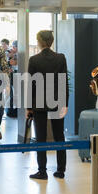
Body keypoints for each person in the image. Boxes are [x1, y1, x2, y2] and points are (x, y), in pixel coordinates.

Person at [27, 30, 69, 180]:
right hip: (57, 101)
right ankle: (61, 170)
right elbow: (64, 81)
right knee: (59, 136)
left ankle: (42, 171)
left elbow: (31, 85)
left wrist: (29, 107)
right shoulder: (60, 58)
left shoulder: (34, 60)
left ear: (39, 42)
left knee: (41, 137)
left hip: (39, 103)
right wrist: (65, 103)